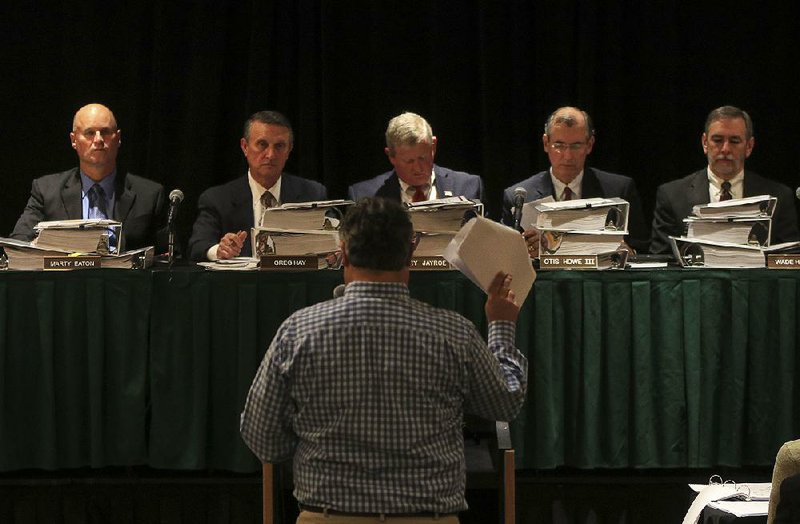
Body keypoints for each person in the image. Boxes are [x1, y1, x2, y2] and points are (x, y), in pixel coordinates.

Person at [240, 197, 527, 523]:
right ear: (410, 252)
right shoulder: (453, 333)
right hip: (427, 517)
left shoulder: (298, 332)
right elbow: (505, 402)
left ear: (344, 252)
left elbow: (263, 440)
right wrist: (502, 326)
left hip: (328, 516)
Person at [10, 103, 167, 251]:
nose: (98, 140)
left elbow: (169, 258)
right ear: (74, 140)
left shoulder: (149, 195)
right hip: (66, 279)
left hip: (127, 279)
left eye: (105, 132)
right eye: (90, 133)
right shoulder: (46, 191)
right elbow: (19, 243)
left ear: (118, 138)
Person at [650, 105, 800, 254]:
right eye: (717, 140)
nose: (725, 149)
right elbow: (662, 263)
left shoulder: (779, 196)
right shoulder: (672, 195)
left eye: (734, 141)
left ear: (749, 146)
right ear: (705, 143)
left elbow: (790, 261)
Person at [501, 106, 648, 256]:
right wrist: (525, 251)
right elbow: (505, 259)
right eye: (559, 145)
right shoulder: (518, 197)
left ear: (589, 145)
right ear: (546, 143)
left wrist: (625, 251)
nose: (568, 156)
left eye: (576, 146)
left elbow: (643, 253)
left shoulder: (619, 190)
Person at [187, 110, 327, 261]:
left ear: (289, 150)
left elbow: (333, 243)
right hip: (237, 284)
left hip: (294, 282)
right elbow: (197, 246)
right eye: (262, 144)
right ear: (245, 147)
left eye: (279, 146)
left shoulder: (312, 194)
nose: (271, 154)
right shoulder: (217, 199)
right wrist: (219, 250)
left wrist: (331, 252)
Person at [347, 112, 485, 207]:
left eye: (423, 158)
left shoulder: (468, 187)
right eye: (409, 161)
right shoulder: (364, 198)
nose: (418, 168)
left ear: (434, 146)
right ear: (391, 156)